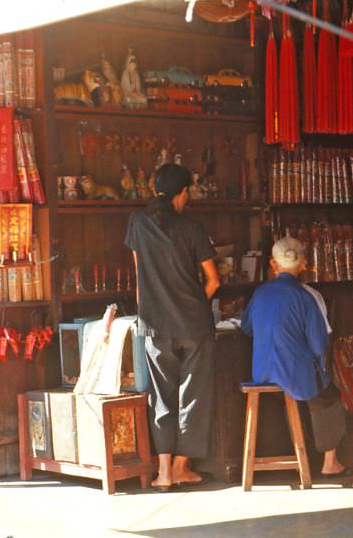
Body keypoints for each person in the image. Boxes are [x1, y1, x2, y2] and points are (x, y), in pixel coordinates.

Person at [125, 163, 220, 491]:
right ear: (183, 193)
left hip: (154, 324)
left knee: (161, 397)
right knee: (193, 395)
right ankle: (183, 467)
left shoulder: (137, 224)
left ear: (154, 190)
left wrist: (149, 312)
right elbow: (213, 280)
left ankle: (163, 472)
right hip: (194, 324)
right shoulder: (192, 227)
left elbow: (140, 279)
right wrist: (194, 306)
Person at [241, 237, 347, 476]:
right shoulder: (305, 297)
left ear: (272, 264)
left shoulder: (260, 293)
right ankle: (330, 463)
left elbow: (246, 327)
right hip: (293, 373)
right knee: (329, 397)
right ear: (303, 264)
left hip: (261, 373)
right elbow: (319, 346)